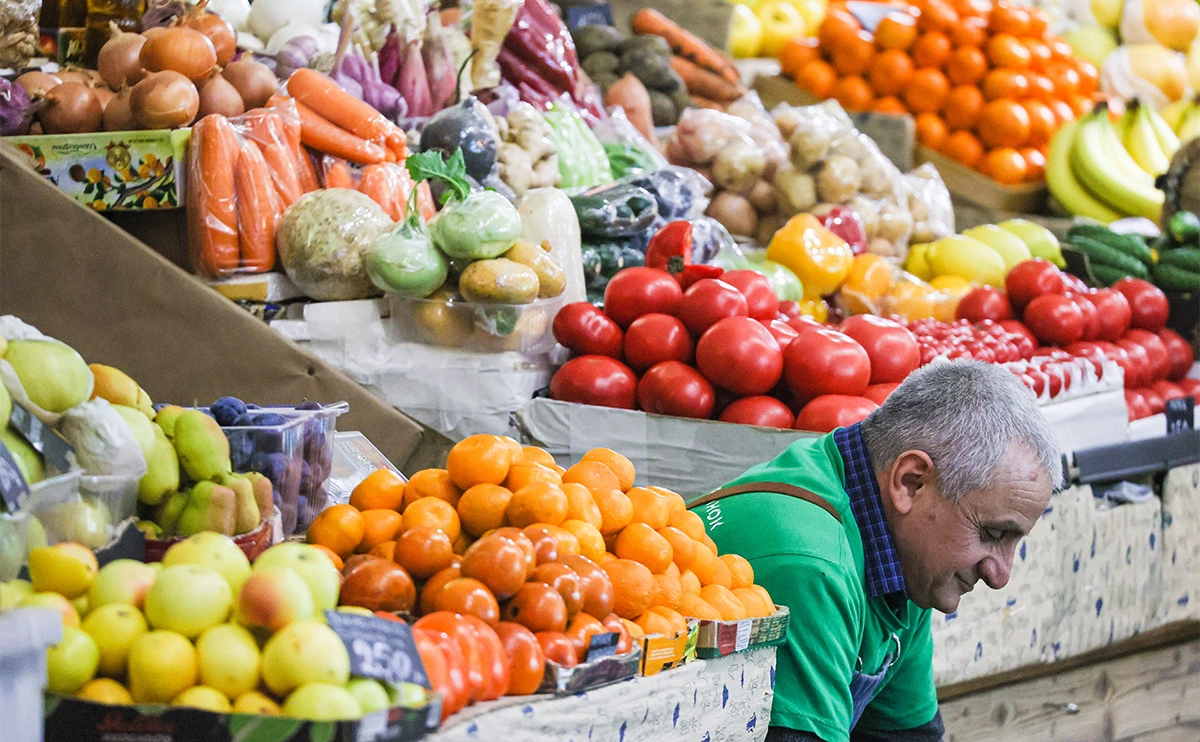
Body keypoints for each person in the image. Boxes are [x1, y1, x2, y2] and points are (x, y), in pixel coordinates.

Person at [694, 361, 1062, 742]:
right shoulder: (810, 565)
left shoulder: (910, 558)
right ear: (911, 481)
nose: (1000, 575)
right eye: (992, 533)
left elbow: (907, 735)